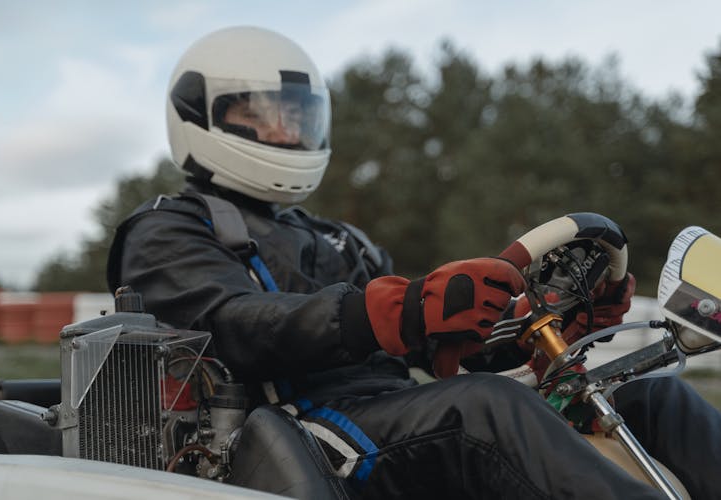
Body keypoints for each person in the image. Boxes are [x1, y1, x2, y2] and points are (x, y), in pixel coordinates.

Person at [107, 26, 720, 499]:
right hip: (299, 431)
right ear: (199, 117)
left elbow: (451, 348)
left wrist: (549, 323)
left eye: (296, 116)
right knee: (484, 407)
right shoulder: (169, 229)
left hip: (396, 414)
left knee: (655, 400)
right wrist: (383, 312)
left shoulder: (341, 239)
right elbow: (231, 325)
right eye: (262, 115)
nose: (286, 131)